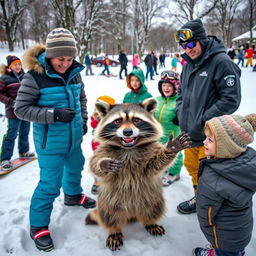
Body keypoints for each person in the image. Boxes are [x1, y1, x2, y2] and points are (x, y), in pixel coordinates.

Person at [14, 28, 96, 252]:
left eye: (70, 59)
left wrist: (83, 120)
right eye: (61, 59)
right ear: (50, 55)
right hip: (49, 143)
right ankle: (38, 226)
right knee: (50, 184)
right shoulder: (35, 77)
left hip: (73, 139)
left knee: (75, 168)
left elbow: (81, 98)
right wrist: (54, 115)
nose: (65, 64)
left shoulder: (75, 73)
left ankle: (72, 195)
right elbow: (20, 109)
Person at [174, 19, 241, 214]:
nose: (187, 49)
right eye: (183, 46)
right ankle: (200, 199)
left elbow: (231, 99)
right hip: (189, 133)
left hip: (210, 135)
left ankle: (212, 206)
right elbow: (181, 93)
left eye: (191, 44)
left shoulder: (221, 62)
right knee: (192, 168)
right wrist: (181, 111)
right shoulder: (187, 64)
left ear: (201, 40)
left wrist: (203, 120)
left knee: (209, 174)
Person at [193, 113, 256, 256]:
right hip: (241, 229)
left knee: (224, 252)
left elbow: (206, 212)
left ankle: (215, 252)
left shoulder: (212, 178)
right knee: (235, 251)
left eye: (210, 139)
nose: (204, 142)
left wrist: (211, 233)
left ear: (226, 147)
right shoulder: (247, 164)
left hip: (223, 235)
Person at [0, 55, 35, 169]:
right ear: (9, 67)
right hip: (12, 111)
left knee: (25, 132)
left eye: (19, 64)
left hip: (25, 110)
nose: (18, 66)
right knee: (11, 134)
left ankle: (24, 151)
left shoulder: (25, 77)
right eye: (15, 64)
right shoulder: (4, 78)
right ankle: (5, 159)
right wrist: (11, 102)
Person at [154, 70, 183, 186]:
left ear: (175, 86)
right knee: (161, 150)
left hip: (173, 132)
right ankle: (165, 167)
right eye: (163, 85)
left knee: (174, 151)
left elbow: (187, 113)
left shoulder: (179, 101)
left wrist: (180, 116)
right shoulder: (157, 100)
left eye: (169, 85)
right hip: (159, 133)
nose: (166, 88)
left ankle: (174, 173)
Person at [90, 95, 116, 194]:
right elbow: (93, 124)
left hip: (108, 145)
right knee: (98, 163)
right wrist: (97, 119)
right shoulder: (95, 116)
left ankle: (110, 181)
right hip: (96, 144)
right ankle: (97, 181)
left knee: (110, 162)